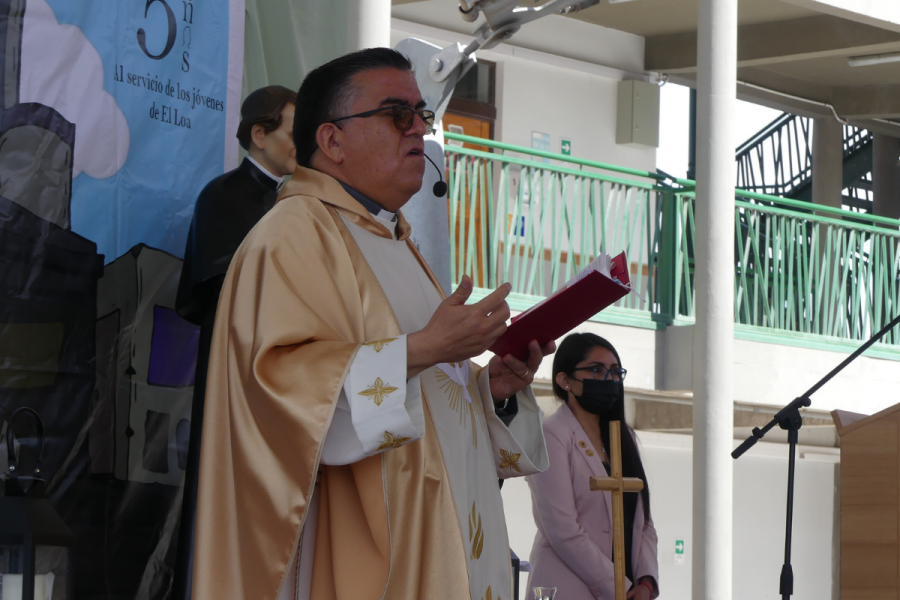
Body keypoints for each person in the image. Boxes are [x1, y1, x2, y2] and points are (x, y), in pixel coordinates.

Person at [191, 48, 554, 600]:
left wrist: (489, 390)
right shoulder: (291, 235)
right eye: (396, 114)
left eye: (421, 114)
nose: (418, 130)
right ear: (333, 141)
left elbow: (428, 402)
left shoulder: (392, 238)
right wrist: (423, 348)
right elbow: (280, 394)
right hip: (366, 560)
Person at [172, 85, 297, 600]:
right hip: (237, 377)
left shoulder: (302, 204)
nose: (302, 141)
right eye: (294, 129)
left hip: (289, 380)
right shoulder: (222, 197)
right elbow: (221, 288)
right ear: (259, 133)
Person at [526, 333, 659, 600]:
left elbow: (644, 523)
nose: (609, 380)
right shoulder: (552, 435)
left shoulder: (624, 437)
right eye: (596, 370)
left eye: (615, 372)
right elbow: (563, 530)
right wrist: (619, 587)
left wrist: (645, 582)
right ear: (565, 380)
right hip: (566, 587)